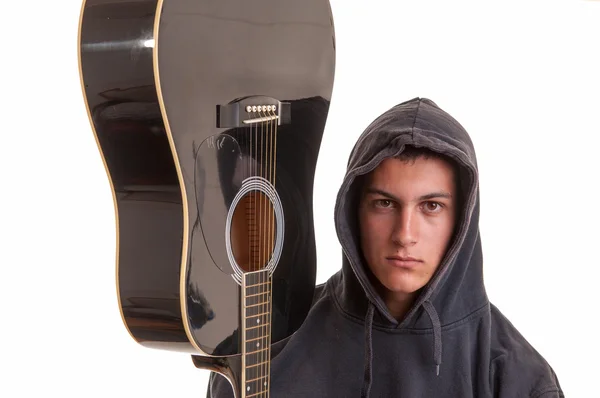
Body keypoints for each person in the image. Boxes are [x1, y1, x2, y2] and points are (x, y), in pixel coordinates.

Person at [206, 97, 564, 397]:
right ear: (353, 210)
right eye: (385, 204)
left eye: (431, 206)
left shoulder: (516, 379)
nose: (404, 234)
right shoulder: (265, 348)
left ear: (462, 219)